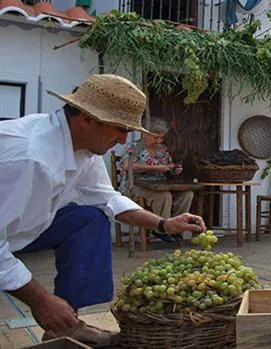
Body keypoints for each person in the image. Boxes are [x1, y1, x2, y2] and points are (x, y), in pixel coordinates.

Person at [0, 74, 206, 347]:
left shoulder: (83, 148)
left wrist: (164, 224)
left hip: (25, 228)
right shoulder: (30, 159)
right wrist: (40, 301)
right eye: (119, 129)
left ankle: (65, 325)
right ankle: (54, 313)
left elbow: (106, 198)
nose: (122, 141)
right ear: (86, 119)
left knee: (89, 220)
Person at [120, 117, 194, 243]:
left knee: (187, 195)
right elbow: (127, 166)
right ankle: (162, 228)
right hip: (136, 186)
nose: (159, 141)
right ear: (144, 133)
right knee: (164, 196)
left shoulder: (162, 149)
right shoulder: (135, 147)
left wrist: (174, 169)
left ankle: (176, 228)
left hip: (159, 185)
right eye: (155, 137)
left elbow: (168, 167)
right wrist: (155, 167)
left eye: (161, 137)